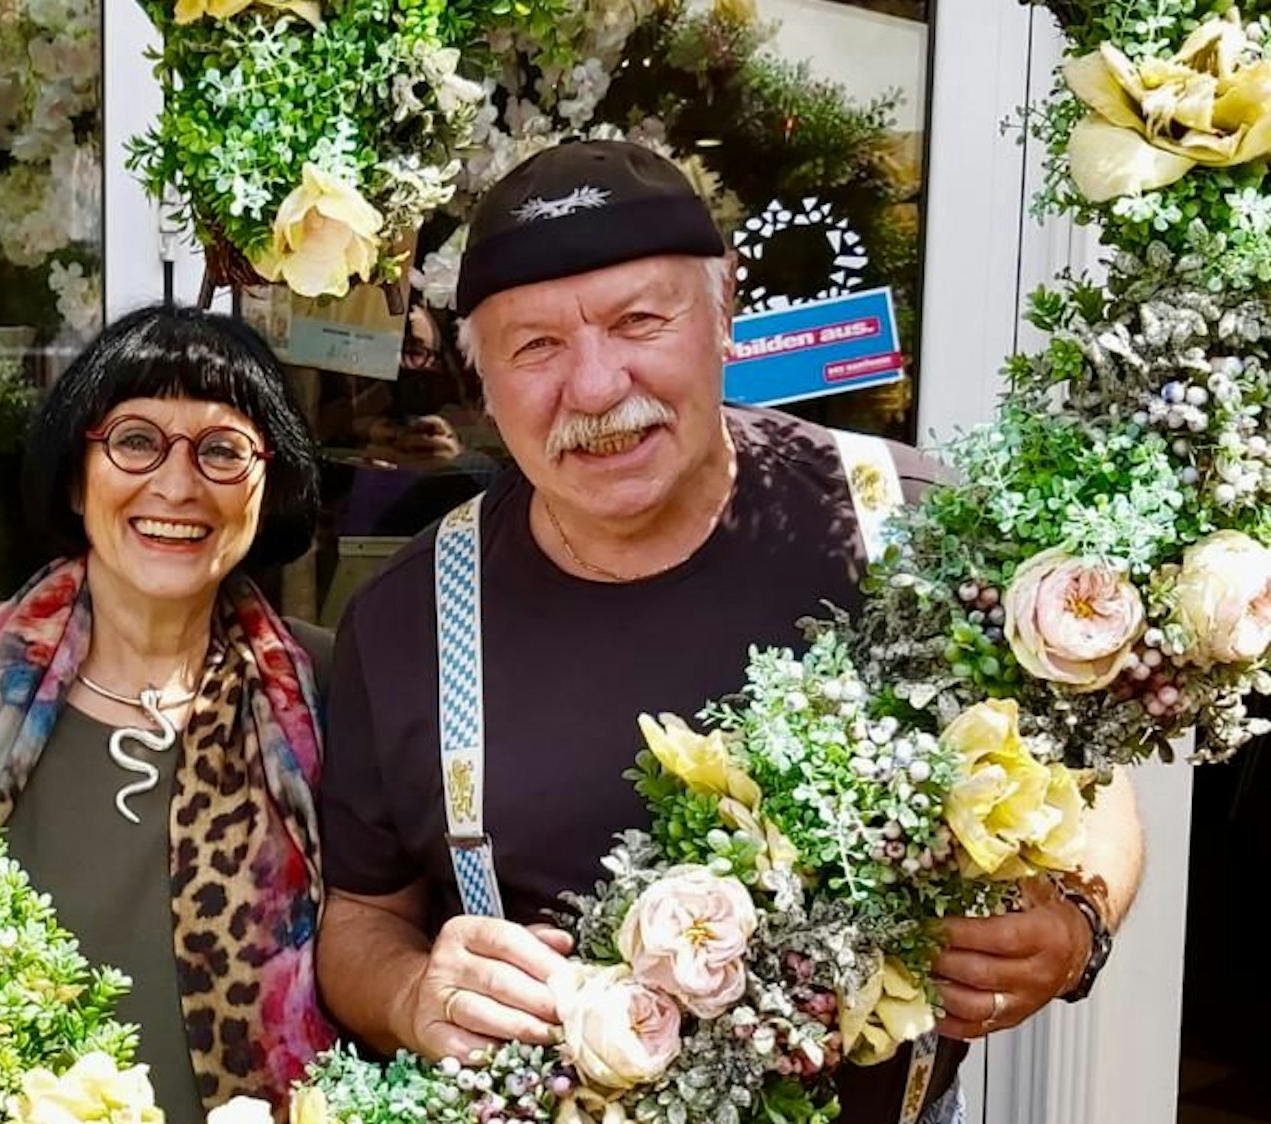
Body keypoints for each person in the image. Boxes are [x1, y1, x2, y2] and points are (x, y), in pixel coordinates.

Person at [314, 140, 1146, 1124]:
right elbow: (360, 916)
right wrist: (410, 993)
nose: (590, 387)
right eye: (533, 346)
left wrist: (1076, 917)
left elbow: (1092, 787)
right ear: (480, 384)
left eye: (637, 321)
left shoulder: (904, 524)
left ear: (722, 324)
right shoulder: (409, 617)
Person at [0, 304, 337, 1121]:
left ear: (267, 486)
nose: (176, 486)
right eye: (136, 441)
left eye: (221, 450)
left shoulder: (331, 690)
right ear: (77, 474)